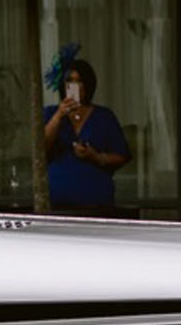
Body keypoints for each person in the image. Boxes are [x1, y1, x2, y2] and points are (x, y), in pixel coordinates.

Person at [43, 56, 130, 216]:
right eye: (70, 80)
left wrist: (96, 157)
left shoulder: (104, 116)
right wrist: (59, 116)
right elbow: (40, 149)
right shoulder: (51, 113)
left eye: (80, 81)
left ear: (88, 85)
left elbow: (122, 156)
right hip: (57, 202)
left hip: (96, 202)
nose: (74, 86)